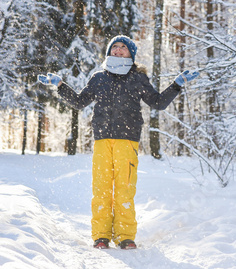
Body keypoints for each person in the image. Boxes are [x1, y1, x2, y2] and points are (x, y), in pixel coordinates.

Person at [38, 35, 199, 249]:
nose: (118, 50)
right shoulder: (98, 78)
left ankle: (125, 236)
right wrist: (60, 85)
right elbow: (79, 102)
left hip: (127, 140)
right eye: (115, 46)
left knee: (124, 189)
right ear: (109, 52)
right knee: (102, 189)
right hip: (102, 140)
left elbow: (157, 103)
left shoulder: (138, 78)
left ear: (131, 53)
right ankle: (101, 236)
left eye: (123, 47)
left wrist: (176, 85)